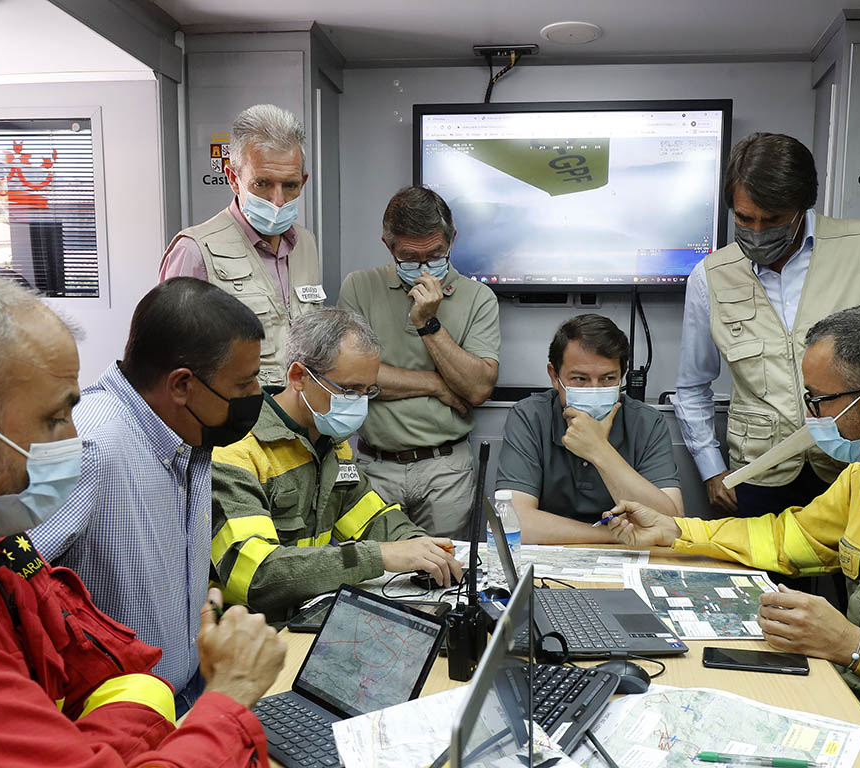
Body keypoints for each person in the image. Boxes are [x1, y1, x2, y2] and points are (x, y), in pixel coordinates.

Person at [0, 264, 285, 766]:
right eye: (53, 419)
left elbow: (80, 633)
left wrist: (154, 694)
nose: (73, 437)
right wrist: (229, 694)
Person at [609, 303, 860, 754]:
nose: (810, 417)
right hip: (846, 686)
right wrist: (677, 531)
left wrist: (853, 645)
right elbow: (788, 540)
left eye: (816, 400)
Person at [30, 278, 266, 717]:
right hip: (115, 726)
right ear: (181, 385)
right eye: (245, 383)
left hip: (188, 697)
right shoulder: (91, 447)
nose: (256, 396)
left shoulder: (187, 433)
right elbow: (12, 589)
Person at [675, 132, 860, 518]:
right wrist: (714, 470)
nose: (756, 231)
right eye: (744, 218)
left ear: (802, 208)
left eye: (772, 220)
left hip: (859, 465)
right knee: (760, 575)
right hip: (759, 472)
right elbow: (692, 386)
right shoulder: (709, 277)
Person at [211, 308, 463, 619]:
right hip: (247, 632)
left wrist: (419, 547)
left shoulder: (330, 441)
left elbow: (371, 519)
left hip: (303, 614)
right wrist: (381, 555)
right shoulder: (236, 450)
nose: (359, 402)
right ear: (299, 377)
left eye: (368, 391)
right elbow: (257, 577)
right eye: (348, 390)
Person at [338, 186, 500, 538]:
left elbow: (476, 388)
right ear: (388, 246)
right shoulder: (359, 287)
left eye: (435, 255)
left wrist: (428, 322)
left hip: (446, 469)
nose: (425, 269)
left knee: (446, 583)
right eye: (410, 259)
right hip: (374, 466)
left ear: (451, 240)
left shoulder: (479, 298)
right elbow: (351, 378)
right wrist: (437, 385)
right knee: (376, 581)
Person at [159, 104, 323, 389]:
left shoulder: (306, 244)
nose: (278, 200)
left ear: (303, 181)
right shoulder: (195, 251)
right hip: (234, 424)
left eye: (290, 185)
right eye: (262, 184)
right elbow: (167, 362)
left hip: (301, 415)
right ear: (234, 179)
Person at [497, 314, 682, 544]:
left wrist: (599, 450)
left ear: (622, 375)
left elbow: (672, 524)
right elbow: (514, 522)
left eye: (607, 379)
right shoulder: (529, 416)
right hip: (553, 558)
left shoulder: (647, 422)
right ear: (554, 376)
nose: (594, 389)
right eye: (580, 379)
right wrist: (614, 535)